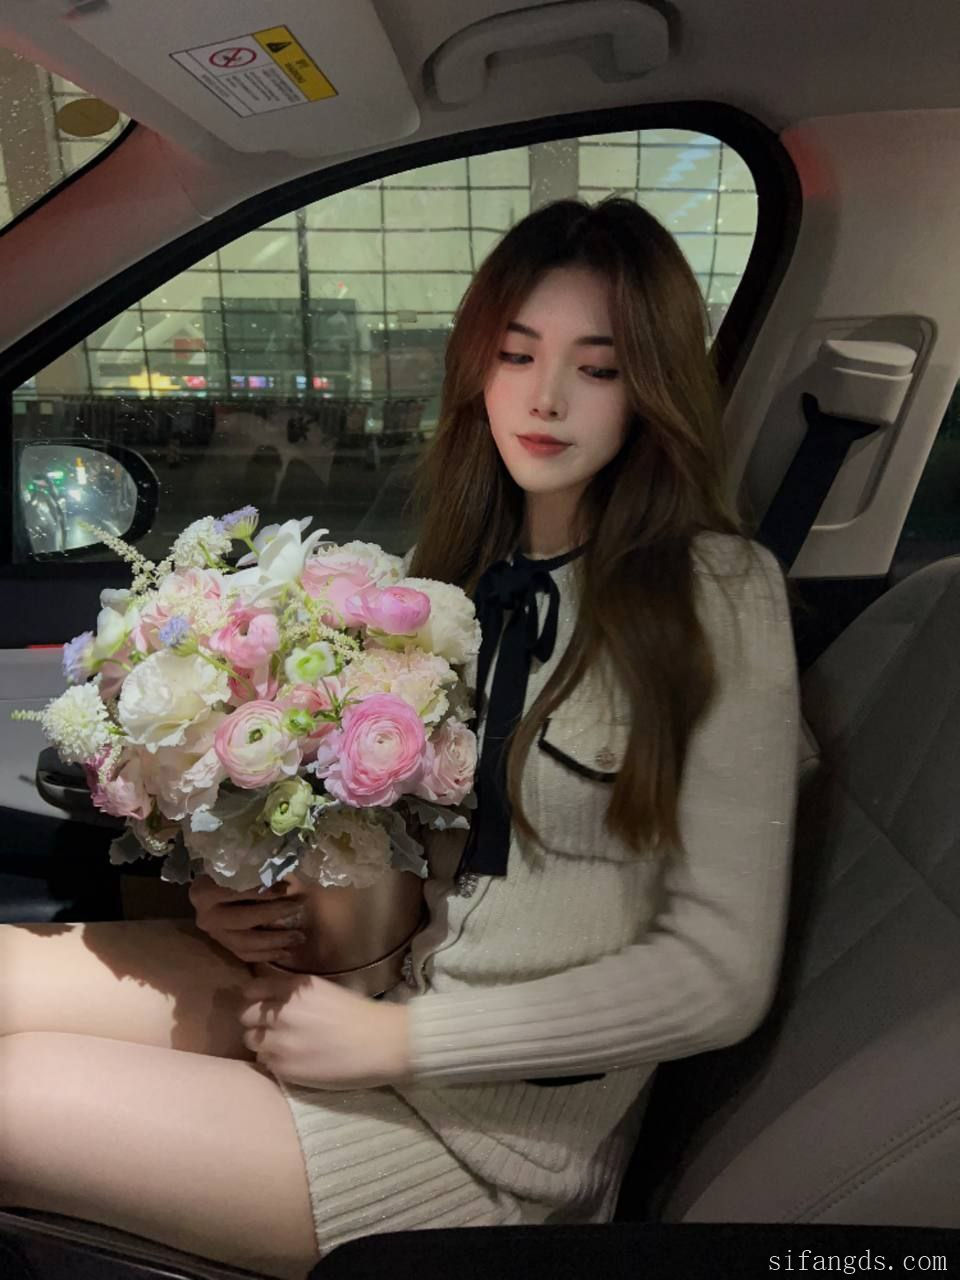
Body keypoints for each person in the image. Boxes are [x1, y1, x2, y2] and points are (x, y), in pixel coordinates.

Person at [0, 197, 799, 1279]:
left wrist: (405, 1042)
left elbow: (719, 973)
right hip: (360, 997)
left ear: (653, 387)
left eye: (599, 367)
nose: (546, 396)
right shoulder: (453, 578)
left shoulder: (717, 592)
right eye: (516, 354)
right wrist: (244, 902)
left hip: (483, 1143)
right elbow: (414, 854)